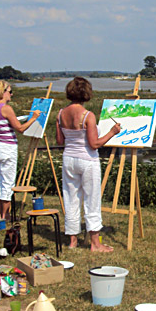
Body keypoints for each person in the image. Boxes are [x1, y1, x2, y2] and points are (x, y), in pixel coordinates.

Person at [56, 77, 121, 252]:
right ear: (86, 93)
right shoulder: (87, 116)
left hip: (68, 158)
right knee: (92, 200)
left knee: (70, 198)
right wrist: (112, 133)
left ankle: (72, 241)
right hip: (87, 160)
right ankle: (95, 243)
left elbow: (60, 140)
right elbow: (95, 144)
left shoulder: (61, 113)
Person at [0, 80, 40, 221]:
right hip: (6, 148)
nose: (12, 94)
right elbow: (21, 129)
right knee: (8, 183)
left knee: (0, 180)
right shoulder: (6, 108)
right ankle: (5, 215)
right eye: (10, 91)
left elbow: (4, 123)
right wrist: (34, 118)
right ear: (4, 92)